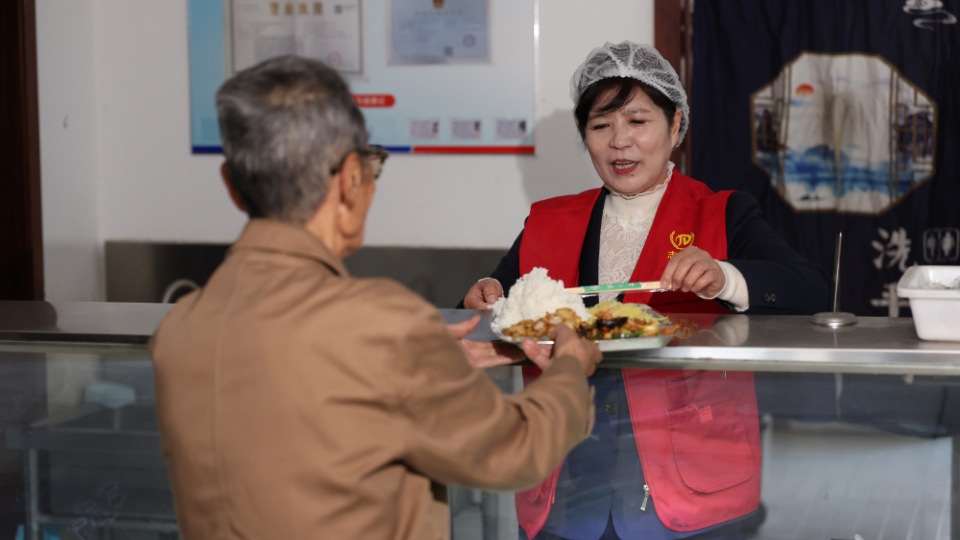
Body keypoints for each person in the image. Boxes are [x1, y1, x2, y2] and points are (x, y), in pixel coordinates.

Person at [149, 55, 604, 540]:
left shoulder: (178, 329)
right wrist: (570, 366)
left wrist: (428, 366)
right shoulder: (383, 326)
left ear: (232, 186)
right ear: (351, 178)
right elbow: (515, 450)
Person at [461, 42, 831, 540]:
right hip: (567, 488)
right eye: (601, 125)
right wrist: (486, 292)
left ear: (675, 126)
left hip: (693, 489)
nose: (620, 142)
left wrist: (726, 276)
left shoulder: (723, 213)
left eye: (638, 121)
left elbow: (809, 289)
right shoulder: (548, 221)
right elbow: (492, 298)